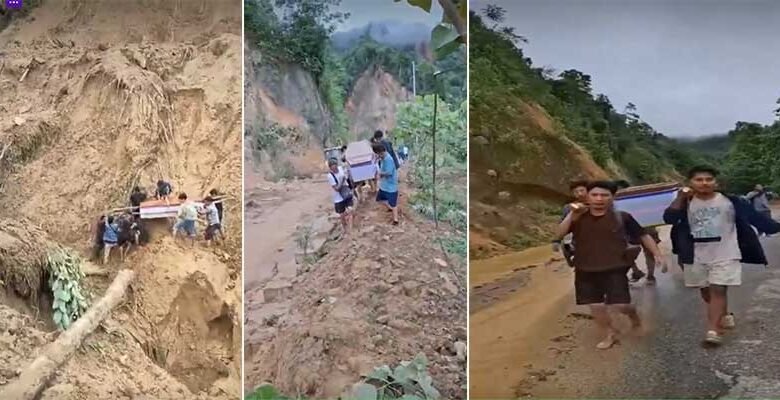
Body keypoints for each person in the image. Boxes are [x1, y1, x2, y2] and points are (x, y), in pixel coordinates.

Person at [664, 166, 780, 345]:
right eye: (699, 180)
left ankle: (713, 331)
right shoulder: (685, 202)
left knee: (718, 289)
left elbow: (758, 220)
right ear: (690, 183)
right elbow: (669, 219)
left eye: (709, 179)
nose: (704, 183)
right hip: (695, 255)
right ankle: (724, 314)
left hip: (726, 252)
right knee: (705, 290)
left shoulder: (732, 201)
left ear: (716, 182)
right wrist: (680, 198)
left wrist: (774, 227)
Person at [556, 180, 666, 350]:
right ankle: (610, 334)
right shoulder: (577, 217)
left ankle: (634, 316)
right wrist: (572, 215)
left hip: (614, 268)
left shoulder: (622, 217)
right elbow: (558, 234)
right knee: (596, 306)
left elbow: (643, 235)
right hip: (585, 269)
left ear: (612, 197)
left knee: (621, 305)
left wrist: (657, 254)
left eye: (604, 195)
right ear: (588, 196)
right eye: (594, 195)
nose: (599, 199)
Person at [613, 180, 661, 285]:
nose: (620, 192)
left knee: (648, 252)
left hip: (646, 228)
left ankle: (650, 275)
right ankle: (636, 271)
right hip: (628, 230)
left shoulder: (637, 199)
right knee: (628, 252)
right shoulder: (613, 201)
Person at [552, 180, 589, 267]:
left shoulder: (599, 204)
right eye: (576, 192)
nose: (579, 194)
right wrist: (556, 240)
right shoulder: (569, 208)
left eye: (582, 190)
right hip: (580, 247)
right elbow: (562, 227)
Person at [373, 143, 400, 225]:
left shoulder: (388, 159)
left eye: (377, 154)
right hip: (385, 185)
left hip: (391, 186)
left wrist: (380, 174)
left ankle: (395, 220)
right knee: (380, 199)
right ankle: (390, 208)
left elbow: (389, 173)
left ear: (380, 152)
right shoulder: (383, 158)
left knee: (393, 203)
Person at [327, 158, 354, 233]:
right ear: (330, 168)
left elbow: (347, 176)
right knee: (342, 215)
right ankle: (345, 229)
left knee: (350, 210)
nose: (335, 169)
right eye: (333, 168)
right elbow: (336, 189)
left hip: (346, 193)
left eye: (335, 166)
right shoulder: (330, 176)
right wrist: (342, 181)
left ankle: (350, 230)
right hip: (338, 198)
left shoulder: (341, 169)